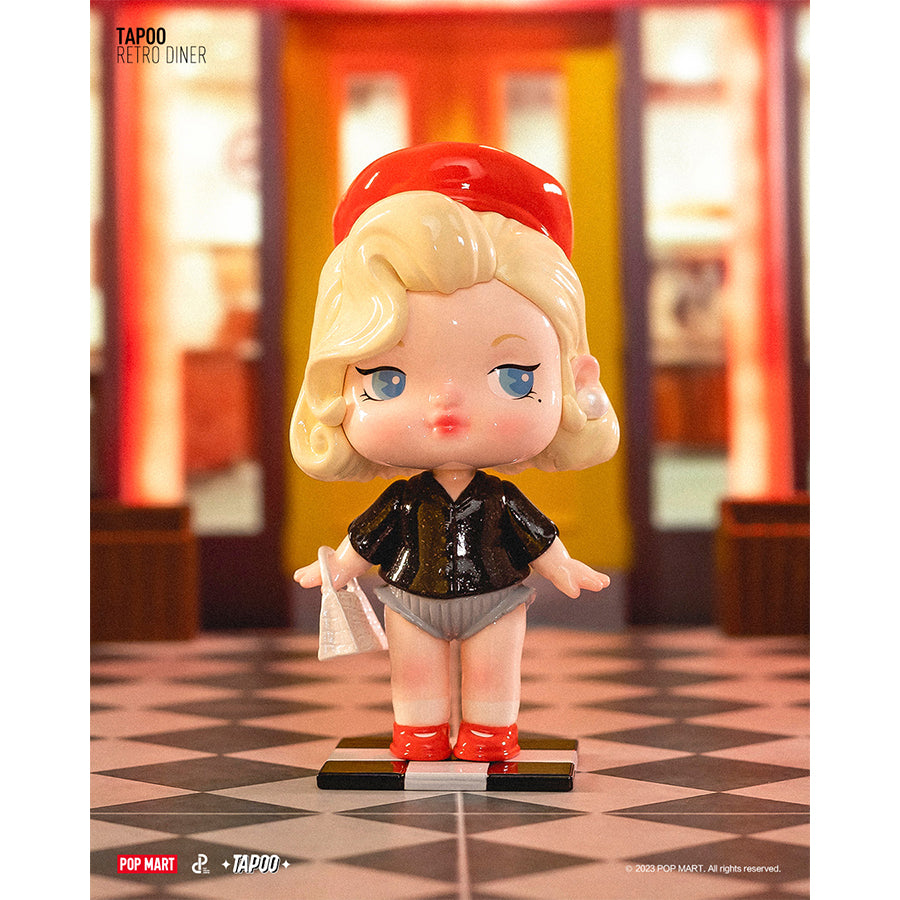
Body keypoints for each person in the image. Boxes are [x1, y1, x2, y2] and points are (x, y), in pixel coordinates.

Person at [291, 143, 619, 762]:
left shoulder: (499, 499)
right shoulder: (404, 501)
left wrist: (562, 566)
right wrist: (336, 569)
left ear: (573, 378)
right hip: (410, 598)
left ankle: (491, 731)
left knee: (495, 669)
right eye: (389, 380)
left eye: (514, 377)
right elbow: (366, 539)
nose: (446, 405)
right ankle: (418, 730)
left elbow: (535, 535)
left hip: (495, 598)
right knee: (414, 673)